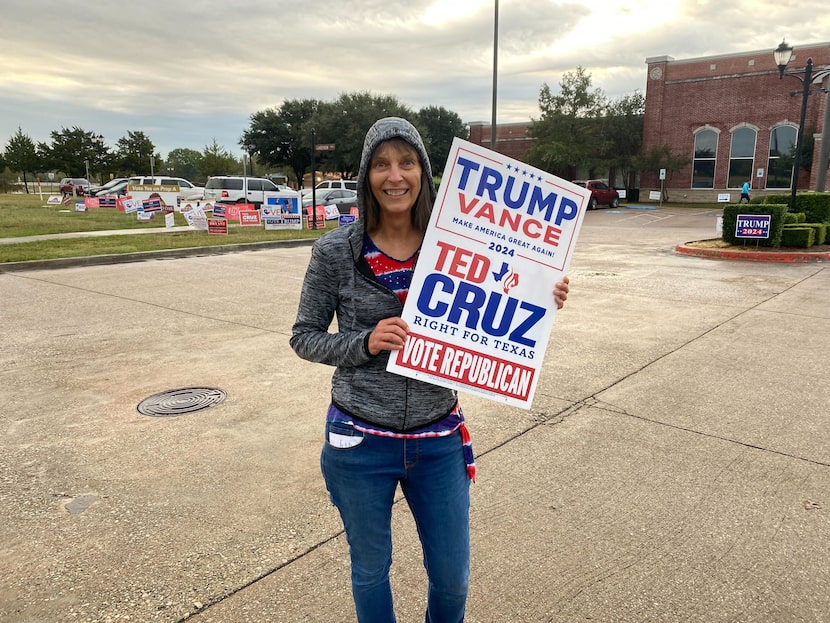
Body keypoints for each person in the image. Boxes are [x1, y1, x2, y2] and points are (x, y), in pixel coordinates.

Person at [290, 117, 570, 623]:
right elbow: (304, 337)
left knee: (452, 577)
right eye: (381, 164)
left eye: (406, 161)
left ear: (424, 171)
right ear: (365, 175)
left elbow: (507, 291)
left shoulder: (460, 246)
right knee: (370, 570)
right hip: (358, 439)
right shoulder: (335, 252)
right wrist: (364, 342)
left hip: (438, 437)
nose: (394, 175)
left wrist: (542, 293)